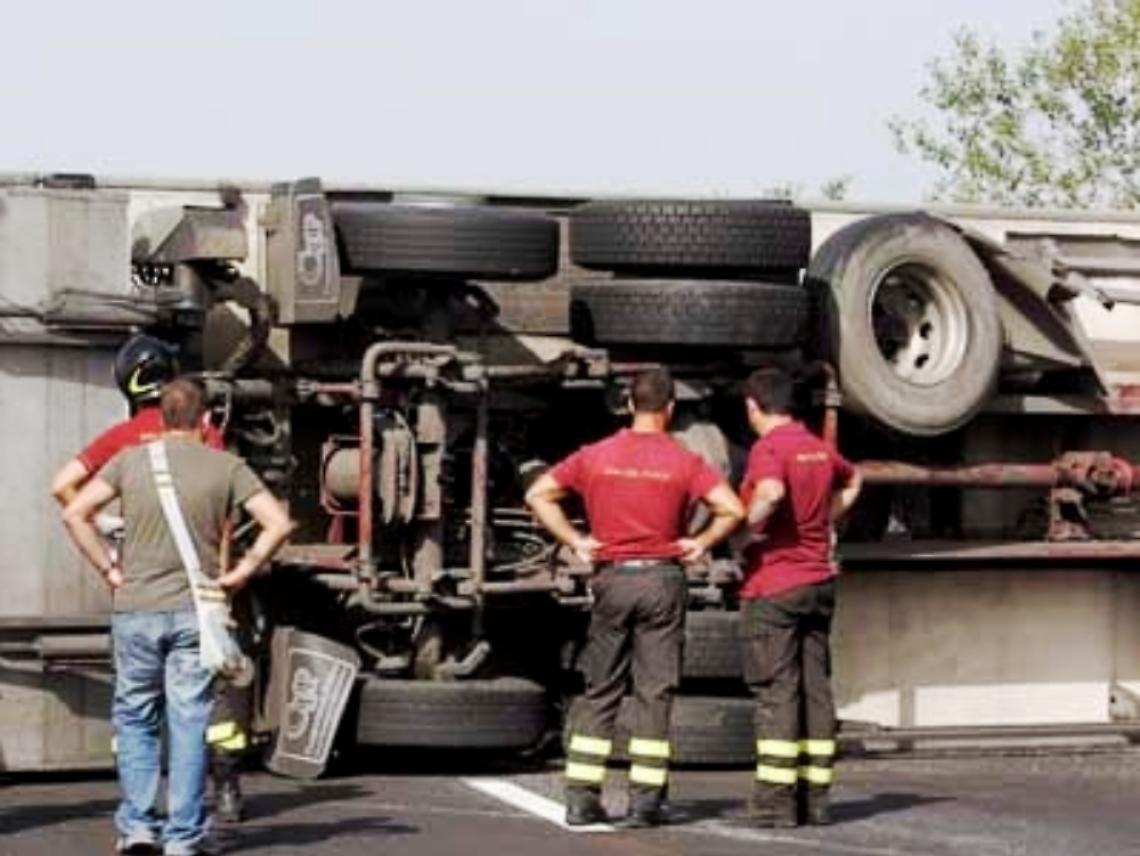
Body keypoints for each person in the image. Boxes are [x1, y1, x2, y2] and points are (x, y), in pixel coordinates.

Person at [62, 378, 295, 856]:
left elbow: (74, 513)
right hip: (195, 613)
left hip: (136, 609)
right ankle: (183, 837)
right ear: (205, 419)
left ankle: (138, 828)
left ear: (162, 416)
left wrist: (109, 568)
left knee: (136, 718)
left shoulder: (129, 461)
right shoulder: (227, 466)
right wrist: (240, 572)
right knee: (189, 722)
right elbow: (277, 523)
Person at [526, 367, 744, 828]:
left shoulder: (595, 455)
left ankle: (581, 799)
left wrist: (576, 541)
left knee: (601, 690)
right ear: (670, 409)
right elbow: (732, 508)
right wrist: (701, 542)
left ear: (628, 404)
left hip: (613, 579)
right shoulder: (684, 460)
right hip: (662, 579)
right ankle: (645, 803)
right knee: (654, 693)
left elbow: (539, 493)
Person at [50, 334, 249, 824]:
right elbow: (225, 517)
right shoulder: (201, 434)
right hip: (197, 587)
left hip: (137, 589)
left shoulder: (121, 438)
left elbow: (62, 486)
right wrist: (224, 582)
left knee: (137, 703)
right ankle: (221, 789)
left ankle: (139, 810)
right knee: (209, 694)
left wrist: (105, 530)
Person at [736, 366, 862, 828]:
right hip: (819, 583)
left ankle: (775, 802)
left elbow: (770, 492)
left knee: (778, 692)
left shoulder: (769, 448)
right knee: (815, 689)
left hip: (776, 585)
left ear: (753, 406)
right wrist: (826, 518)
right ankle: (816, 798)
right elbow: (856, 479)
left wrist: (746, 533)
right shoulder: (817, 448)